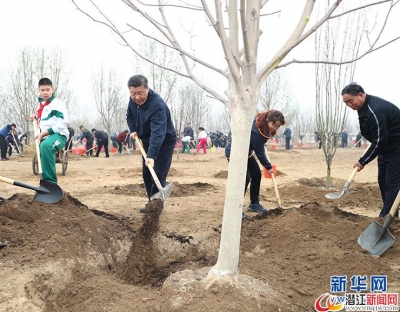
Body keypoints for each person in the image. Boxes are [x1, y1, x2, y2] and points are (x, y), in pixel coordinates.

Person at [342, 83, 400, 217]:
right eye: (346, 103)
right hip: (386, 149)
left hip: (397, 148)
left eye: (350, 101)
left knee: (392, 184)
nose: (349, 105)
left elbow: (379, 140)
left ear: (361, 95)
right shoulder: (363, 108)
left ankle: (386, 218)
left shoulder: (376, 110)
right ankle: (392, 216)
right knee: (383, 182)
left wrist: (363, 161)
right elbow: (376, 138)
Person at [126, 74, 177, 213]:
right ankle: (151, 202)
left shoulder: (157, 106)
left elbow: (158, 133)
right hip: (147, 141)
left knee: (158, 173)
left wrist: (152, 156)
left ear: (147, 89)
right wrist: (133, 129)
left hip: (164, 141)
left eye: (140, 93)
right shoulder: (133, 101)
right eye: (133, 93)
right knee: (147, 174)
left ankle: (155, 207)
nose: (137, 97)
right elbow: (129, 116)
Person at [225, 110, 285, 219]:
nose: (274, 128)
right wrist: (268, 167)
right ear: (267, 120)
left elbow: (257, 144)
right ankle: (235, 208)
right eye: (273, 125)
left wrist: (260, 144)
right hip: (234, 152)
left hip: (245, 153)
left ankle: (254, 204)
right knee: (245, 178)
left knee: (256, 174)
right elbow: (260, 153)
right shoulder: (257, 132)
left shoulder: (260, 123)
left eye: (277, 127)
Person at [29, 78, 69, 184]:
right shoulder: (41, 105)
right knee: (42, 152)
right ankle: (45, 184)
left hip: (59, 135)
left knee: (46, 146)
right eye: (42, 90)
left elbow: (62, 123)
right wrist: (35, 119)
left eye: (47, 89)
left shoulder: (57, 104)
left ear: (53, 89)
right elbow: (44, 122)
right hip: (45, 136)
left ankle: (51, 184)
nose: (45, 92)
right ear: (39, 91)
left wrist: (43, 134)